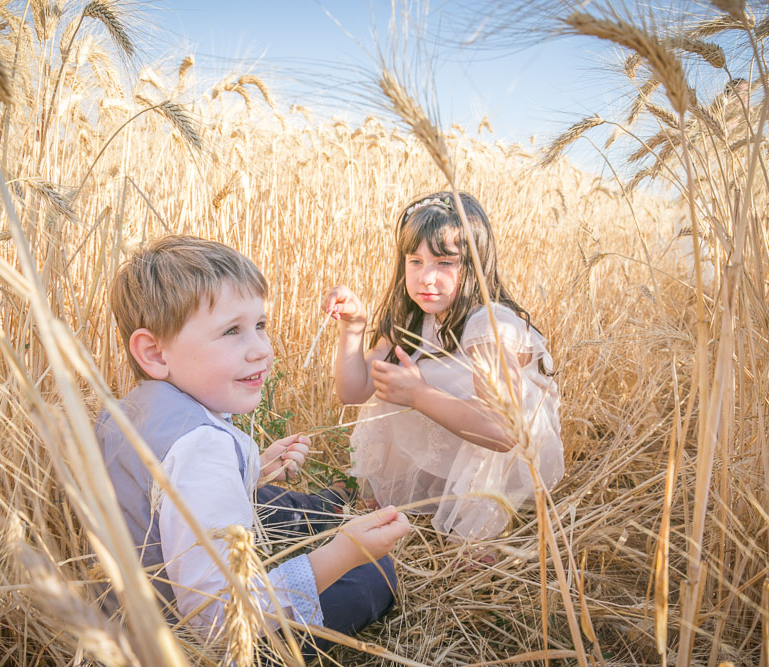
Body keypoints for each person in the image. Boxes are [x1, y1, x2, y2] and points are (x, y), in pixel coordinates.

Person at [95, 235, 410, 660]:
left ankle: (325, 508)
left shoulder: (124, 410)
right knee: (374, 576)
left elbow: (159, 503)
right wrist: (344, 553)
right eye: (231, 331)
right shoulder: (201, 448)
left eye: (260, 325)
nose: (263, 349)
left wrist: (253, 468)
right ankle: (337, 526)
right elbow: (218, 617)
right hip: (191, 647)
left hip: (129, 615)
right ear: (154, 352)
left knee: (276, 499)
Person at [321, 191, 564, 541]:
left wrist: (419, 394)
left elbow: (504, 433)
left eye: (444, 263)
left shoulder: (488, 325)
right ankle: (408, 494)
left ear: (476, 264)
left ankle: (479, 524)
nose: (426, 278)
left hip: (506, 457)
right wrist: (353, 327)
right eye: (415, 262)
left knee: (408, 387)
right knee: (393, 383)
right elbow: (353, 392)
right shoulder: (414, 317)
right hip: (456, 436)